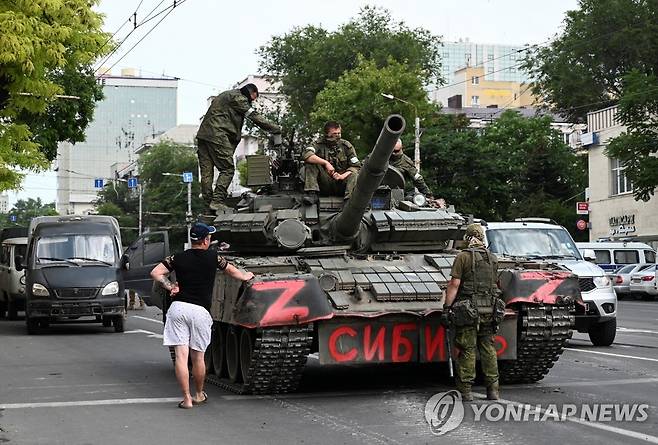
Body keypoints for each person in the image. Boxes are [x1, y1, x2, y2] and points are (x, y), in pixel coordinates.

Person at [150, 222, 254, 409]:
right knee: (198, 357)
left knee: (181, 357)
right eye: (210, 238)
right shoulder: (214, 257)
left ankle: (186, 399)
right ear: (206, 240)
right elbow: (231, 271)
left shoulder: (178, 257)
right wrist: (245, 276)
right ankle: (199, 394)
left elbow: (156, 272)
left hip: (179, 308)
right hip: (200, 311)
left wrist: (170, 286)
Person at [196, 83, 282, 213]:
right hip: (218, 134)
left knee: (207, 172)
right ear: (251, 92)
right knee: (227, 169)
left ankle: (209, 204)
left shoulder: (227, 95)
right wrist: (275, 128)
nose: (252, 101)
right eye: (254, 97)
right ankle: (217, 201)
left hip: (204, 135)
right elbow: (254, 116)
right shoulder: (239, 98)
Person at [443, 223, 502, 402]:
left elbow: (454, 284)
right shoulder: (493, 258)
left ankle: (466, 392)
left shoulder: (463, 257)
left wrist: (447, 308)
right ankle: (493, 391)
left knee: (467, 349)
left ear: (468, 238)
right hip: (490, 310)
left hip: (468, 311)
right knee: (488, 349)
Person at [301, 121, 360, 200]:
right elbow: (307, 154)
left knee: (354, 173)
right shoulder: (318, 144)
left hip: (342, 184)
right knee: (311, 163)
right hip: (324, 183)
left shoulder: (346, 146)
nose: (338, 136)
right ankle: (312, 193)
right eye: (335, 134)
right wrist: (326, 163)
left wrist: (342, 176)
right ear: (327, 134)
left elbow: (356, 166)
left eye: (339, 133)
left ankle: (349, 200)